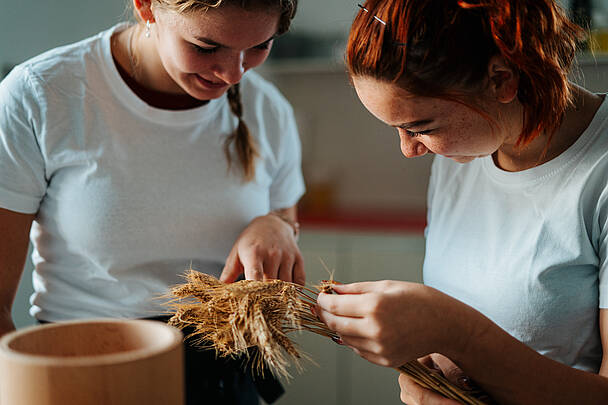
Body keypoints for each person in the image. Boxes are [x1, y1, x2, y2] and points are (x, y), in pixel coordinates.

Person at [0, 0, 304, 403]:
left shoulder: (268, 109)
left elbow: (285, 216)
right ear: (146, 7)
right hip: (84, 377)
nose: (234, 73)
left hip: (226, 379)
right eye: (206, 47)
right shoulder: (42, 94)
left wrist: (277, 224)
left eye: (260, 46)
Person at [315, 0, 608, 404]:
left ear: (502, 80)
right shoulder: (463, 154)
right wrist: (424, 381)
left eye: (420, 127)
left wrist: (452, 330)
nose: (409, 149)